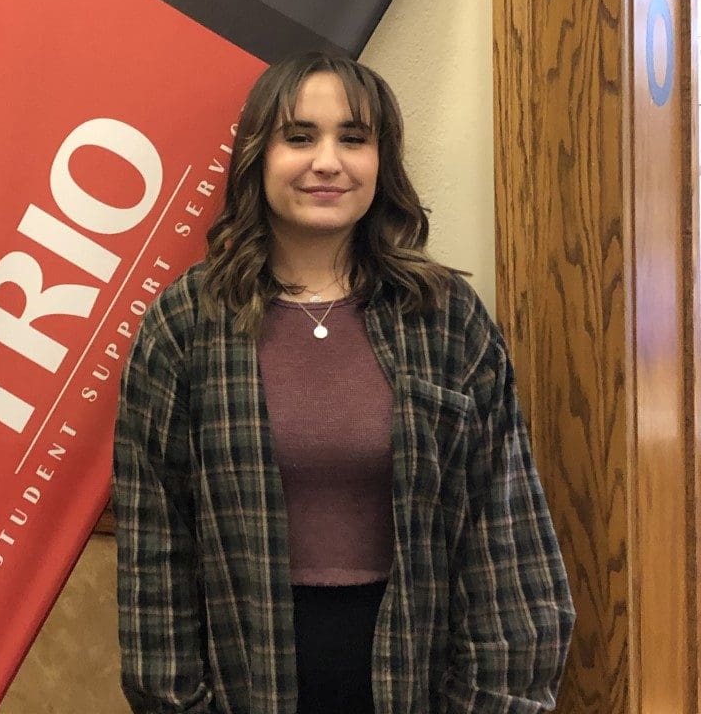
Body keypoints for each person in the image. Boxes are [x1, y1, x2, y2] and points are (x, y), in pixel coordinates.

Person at [113, 51, 575, 714]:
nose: (327, 162)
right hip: (247, 685)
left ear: (382, 162)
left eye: (353, 139)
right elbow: (155, 550)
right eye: (300, 137)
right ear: (257, 158)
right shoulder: (187, 322)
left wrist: (499, 698)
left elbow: (505, 533)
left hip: (420, 682)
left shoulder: (444, 317)